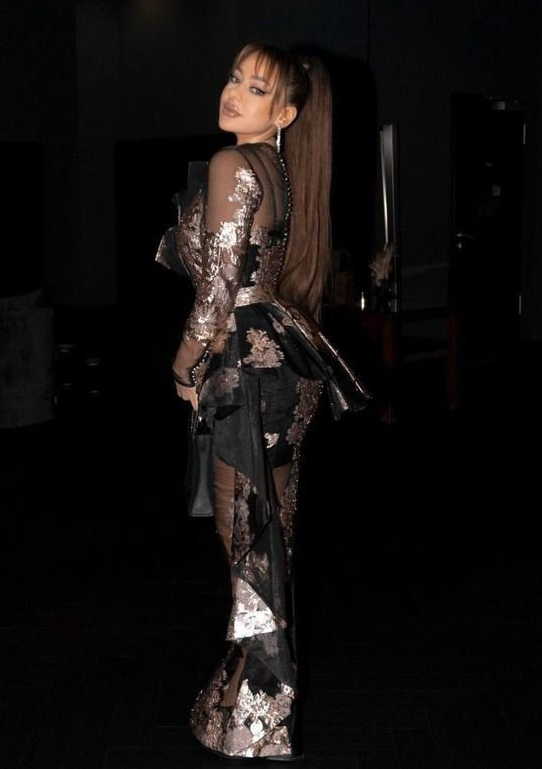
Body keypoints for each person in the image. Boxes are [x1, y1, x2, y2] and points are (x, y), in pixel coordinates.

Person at [155, 42, 372, 761]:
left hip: (244, 368)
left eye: (256, 88)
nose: (234, 92)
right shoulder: (277, 168)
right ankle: (250, 705)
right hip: (282, 359)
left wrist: (184, 363)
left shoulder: (231, 164)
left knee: (247, 546)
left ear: (284, 113)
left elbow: (219, 289)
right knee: (266, 540)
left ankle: (257, 718)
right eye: (234, 77)